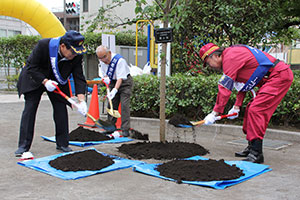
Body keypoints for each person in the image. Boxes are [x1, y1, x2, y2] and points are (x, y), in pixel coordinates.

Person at [200, 43, 294, 163]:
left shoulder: (230, 57)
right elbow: (243, 85)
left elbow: (225, 88)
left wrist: (215, 113)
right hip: (271, 77)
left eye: (208, 63)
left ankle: (256, 153)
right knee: (250, 109)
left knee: (256, 110)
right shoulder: (232, 55)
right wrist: (236, 106)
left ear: (214, 56)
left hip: (279, 76)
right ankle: (251, 147)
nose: (210, 66)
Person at [15, 30, 88, 156]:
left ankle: (63, 143)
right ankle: (23, 146)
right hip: (35, 78)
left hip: (58, 80)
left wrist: (82, 101)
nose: (74, 55)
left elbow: (79, 77)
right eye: (72, 52)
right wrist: (45, 81)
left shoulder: (76, 54)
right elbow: (31, 66)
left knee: (60, 109)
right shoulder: (44, 45)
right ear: (63, 46)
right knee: (30, 109)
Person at [96, 45, 133, 137]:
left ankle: (125, 129)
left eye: (104, 57)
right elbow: (105, 75)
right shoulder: (102, 62)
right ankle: (111, 127)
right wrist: (105, 80)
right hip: (112, 82)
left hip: (125, 82)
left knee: (124, 105)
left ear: (109, 53)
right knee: (111, 105)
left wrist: (115, 90)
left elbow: (120, 78)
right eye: (100, 58)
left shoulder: (119, 60)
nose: (103, 60)